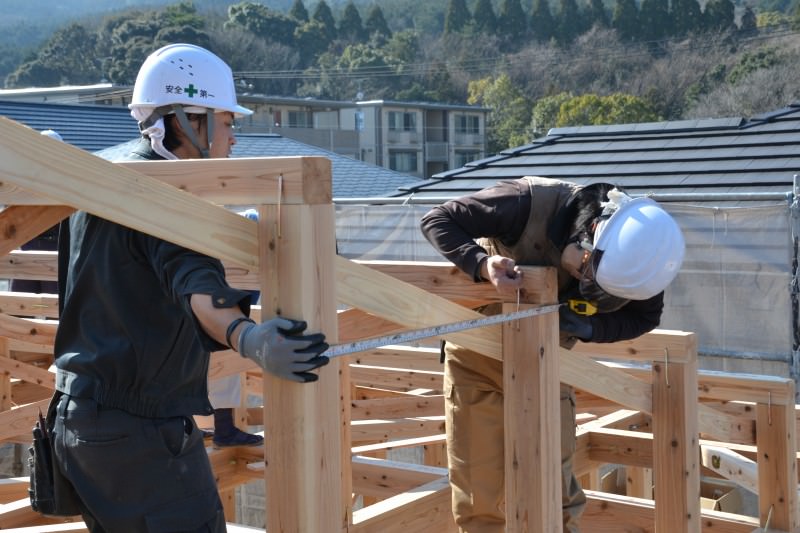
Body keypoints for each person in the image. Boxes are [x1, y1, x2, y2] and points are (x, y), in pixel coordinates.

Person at [49, 43, 330, 532]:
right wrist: (249, 337)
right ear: (183, 121)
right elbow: (197, 287)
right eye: (226, 121)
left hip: (78, 420)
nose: (235, 137)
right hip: (135, 433)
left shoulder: (98, 180)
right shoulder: (164, 196)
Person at [419, 176, 684, 533]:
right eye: (583, 272)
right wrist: (482, 264)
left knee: (558, 496)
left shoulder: (640, 260)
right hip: (476, 359)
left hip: (547, 363)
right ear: (587, 234)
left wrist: (591, 328)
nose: (582, 283)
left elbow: (645, 316)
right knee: (479, 497)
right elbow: (437, 219)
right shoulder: (525, 203)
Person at [8, 130, 64, 294]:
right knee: (23, 303)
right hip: (28, 244)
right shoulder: (22, 177)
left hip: (55, 246)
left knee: (52, 305)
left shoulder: (63, 179)